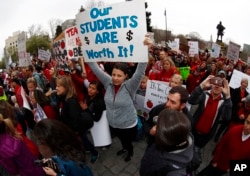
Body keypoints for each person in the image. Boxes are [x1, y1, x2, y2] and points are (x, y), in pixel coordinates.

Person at [86, 35, 152, 162]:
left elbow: (140, 71)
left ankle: (130, 152)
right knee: (122, 140)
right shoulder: (107, 82)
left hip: (128, 124)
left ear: (126, 76)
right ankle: (124, 148)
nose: (115, 78)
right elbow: (94, 67)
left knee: (128, 141)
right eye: (114, 74)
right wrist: (84, 48)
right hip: (113, 123)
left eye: (119, 76)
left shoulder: (130, 86)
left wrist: (145, 49)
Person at [55, 75, 99, 163]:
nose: (56, 88)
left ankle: (95, 153)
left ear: (66, 87)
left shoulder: (71, 102)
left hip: (77, 129)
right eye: (56, 85)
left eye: (59, 86)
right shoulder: (62, 97)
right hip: (71, 129)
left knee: (84, 141)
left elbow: (75, 122)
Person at [140, 109, 194, 176]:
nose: (154, 128)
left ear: (166, 140)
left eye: (158, 127)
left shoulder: (174, 173)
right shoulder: (182, 135)